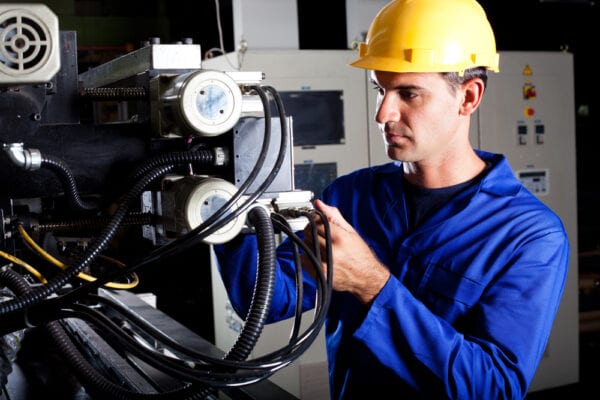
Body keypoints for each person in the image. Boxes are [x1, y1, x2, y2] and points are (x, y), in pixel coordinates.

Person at [213, 0, 570, 398]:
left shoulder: (529, 236)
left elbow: (494, 387)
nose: (383, 113)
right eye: (380, 90)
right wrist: (229, 201)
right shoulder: (350, 196)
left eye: (409, 94)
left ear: (468, 97)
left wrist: (373, 285)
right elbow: (266, 299)